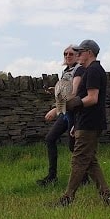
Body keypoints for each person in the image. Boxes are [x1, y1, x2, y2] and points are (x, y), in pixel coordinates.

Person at [57, 39, 110, 206]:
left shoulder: (94, 70)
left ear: (89, 53)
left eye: (80, 52)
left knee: (79, 160)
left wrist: (73, 104)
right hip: (86, 122)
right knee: (90, 162)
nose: (77, 55)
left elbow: (92, 98)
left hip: (90, 122)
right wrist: (76, 123)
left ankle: (67, 198)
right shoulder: (91, 70)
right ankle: (107, 197)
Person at [37, 45, 82, 186]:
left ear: (78, 55)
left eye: (71, 53)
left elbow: (73, 93)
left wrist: (55, 109)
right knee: (50, 139)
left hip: (74, 112)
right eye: (65, 54)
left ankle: (84, 178)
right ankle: (52, 176)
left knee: (74, 147)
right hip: (66, 112)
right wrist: (55, 90)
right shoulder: (66, 71)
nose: (67, 56)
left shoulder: (79, 70)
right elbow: (64, 91)